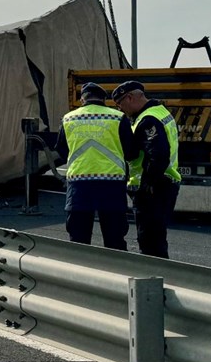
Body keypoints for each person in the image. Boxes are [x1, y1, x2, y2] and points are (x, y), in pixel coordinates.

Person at [55, 83, 137, 250]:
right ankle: (116, 274)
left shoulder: (69, 118)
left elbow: (61, 150)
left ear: (82, 99)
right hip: (112, 185)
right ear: (104, 99)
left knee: (78, 239)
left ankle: (80, 274)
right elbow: (131, 152)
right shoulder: (118, 117)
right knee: (115, 239)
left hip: (79, 184)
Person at [112, 81, 182, 259]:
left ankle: (156, 278)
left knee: (150, 241)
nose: (121, 109)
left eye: (120, 104)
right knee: (157, 238)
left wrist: (147, 184)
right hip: (164, 184)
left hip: (154, 188)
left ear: (130, 98)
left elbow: (158, 156)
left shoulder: (148, 120)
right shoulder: (160, 113)